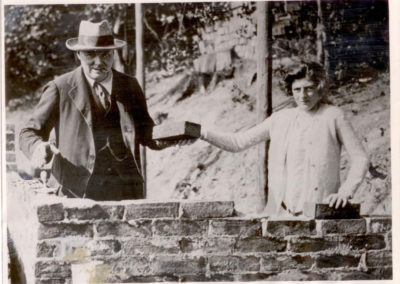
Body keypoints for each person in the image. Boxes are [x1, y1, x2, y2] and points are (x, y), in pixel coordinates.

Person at [19, 20, 180, 201]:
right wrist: (38, 147)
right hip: (75, 191)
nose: (98, 62)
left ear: (113, 54)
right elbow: (28, 132)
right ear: (79, 54)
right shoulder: (60, 88)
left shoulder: (130, 86)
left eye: (105, 55)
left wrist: (172, 136)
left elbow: (145, 131)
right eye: (90, 55)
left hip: (124, 191)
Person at [200, 61, 369, 216]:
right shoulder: (280, 119)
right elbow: (238, 142)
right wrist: (200, 132)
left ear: (319, 88)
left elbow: (360, 157)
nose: (303, 95)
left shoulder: (333, 116)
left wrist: (345, 192)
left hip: (319, 212)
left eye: (309, 88)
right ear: (290, 90)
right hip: (279, 212)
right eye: (297, 90)